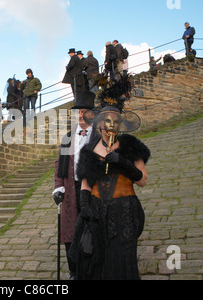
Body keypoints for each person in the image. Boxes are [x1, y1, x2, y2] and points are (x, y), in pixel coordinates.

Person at [68, 78, 151, 280]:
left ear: (120, 124)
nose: (110, 125)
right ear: (100, 124)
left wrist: (123, 162)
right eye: (106, 120)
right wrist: (86, 206)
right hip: (97, 213)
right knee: (98, 262)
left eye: (115, 121)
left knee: (123, 259)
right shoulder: (89, 150)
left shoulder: (130, 145)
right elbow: (86, 183)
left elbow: (142, 180)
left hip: (124, 211)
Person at [53, 91, 95, 280]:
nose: (80, 115)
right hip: (71, 188)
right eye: (78, 112)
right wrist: (58, 186)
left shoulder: (99, 136)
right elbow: (58, 164)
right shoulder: (68, 137)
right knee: (70, 232)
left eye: (84, 111)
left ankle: (93, 269)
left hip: (93, 190)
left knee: (91, 229)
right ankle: (74, 272)